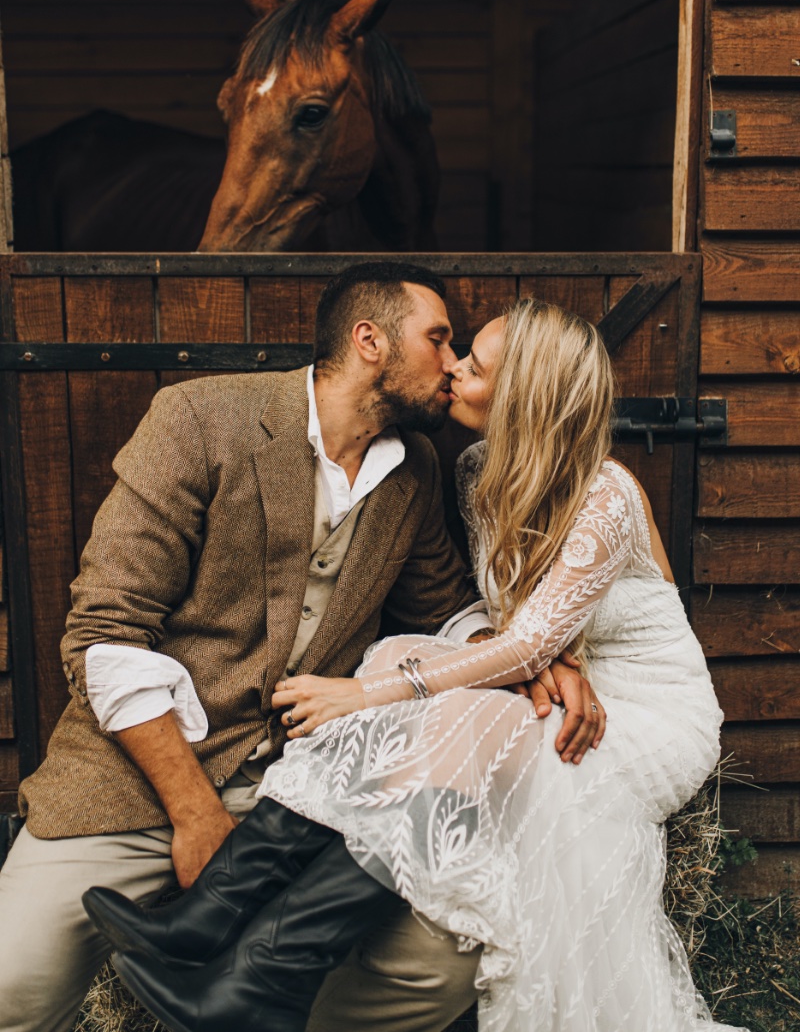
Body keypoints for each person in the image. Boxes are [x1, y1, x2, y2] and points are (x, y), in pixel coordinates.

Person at [84, 299, 745, 1032]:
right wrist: (540, 660)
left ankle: (258, 971)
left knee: (441, 698)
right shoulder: (471, 470)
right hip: (558, 682)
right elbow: (509, 627)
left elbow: (528, 642)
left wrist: (363, 694)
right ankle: (220, 925)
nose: (454, 366)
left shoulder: (606, 494)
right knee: (406, 652)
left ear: (522, 393)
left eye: (475, 364)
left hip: (643, 711)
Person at [0, 264, 602, 1032]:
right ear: (370, 341)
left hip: (301, 783)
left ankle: (253, 1009)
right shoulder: (198, 418)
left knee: (442, 962)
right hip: (138, 775)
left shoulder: (414, 470)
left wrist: (528, 653)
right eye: (439, 338)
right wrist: (194, 814)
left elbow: (448, 610)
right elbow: (103, 633)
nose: (452, 364)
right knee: (10, 986)